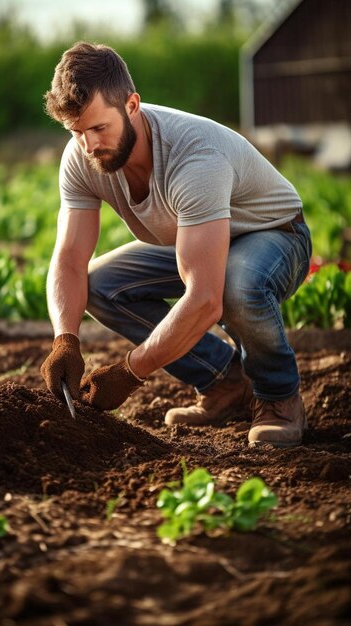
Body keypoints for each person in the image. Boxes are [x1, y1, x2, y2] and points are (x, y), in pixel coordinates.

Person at [40, 42, 312, 448]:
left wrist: (131, 372)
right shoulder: (82, 157)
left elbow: (205, 298)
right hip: (199, 234)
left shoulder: (194, 158)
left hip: (274, 236)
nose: (89, 145)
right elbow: (69, 259)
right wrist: (65, 339)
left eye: (99, 128)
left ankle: (278, 398)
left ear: (132, 105)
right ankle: (223, 383)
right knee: (101, 285)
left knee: (233, 285)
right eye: (77, 132)